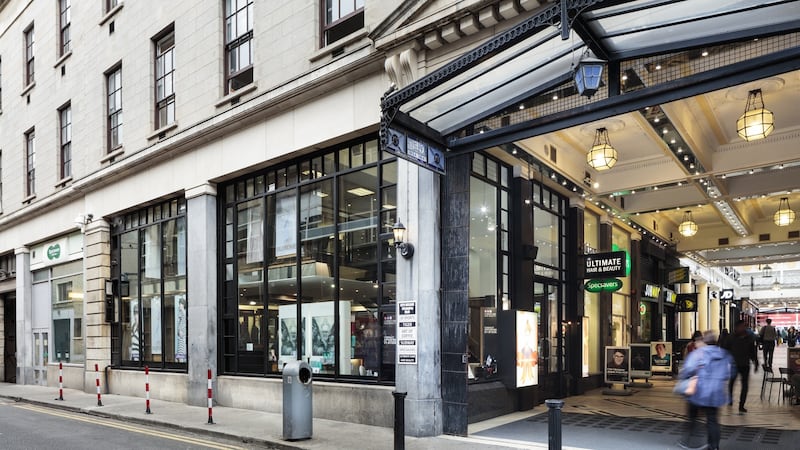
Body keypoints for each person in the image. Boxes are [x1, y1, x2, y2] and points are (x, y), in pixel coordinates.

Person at [678, 330, 733, 450]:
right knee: (713, 420)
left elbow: (688, 369)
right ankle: (714, 446)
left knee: (692, 415)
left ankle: (688, 441)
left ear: (704, 341)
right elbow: (729, 373)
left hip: (700, 391)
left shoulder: (699, 354)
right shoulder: (724, 354)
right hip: (716, 392)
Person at [726, 320, 758, 413]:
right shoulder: (731, 337)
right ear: (737, 327)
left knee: (745, 385)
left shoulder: (749, 337)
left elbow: (752, 351)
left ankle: (741, 405)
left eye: (744, 326)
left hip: (745, 364)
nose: (743, 328)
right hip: (734, 364)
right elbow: (726, 349)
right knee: (732, 383)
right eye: (742, 326)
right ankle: (730, 399)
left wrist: (756, 362)